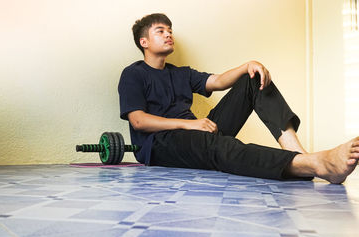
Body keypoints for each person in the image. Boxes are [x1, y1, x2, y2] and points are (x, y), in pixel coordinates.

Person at [118, 13, 359, 184]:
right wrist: (189, 123)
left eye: (170, 30)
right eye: (160, 31)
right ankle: (315, 164)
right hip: (159, 144)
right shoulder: (133, 73)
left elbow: (219, 81)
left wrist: (247, 65)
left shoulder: (181, 73)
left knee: (251, 79)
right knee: (220, 147)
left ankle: (301, 155)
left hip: (194, 134)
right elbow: (138, 121)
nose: (168, 34)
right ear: (144, 42)